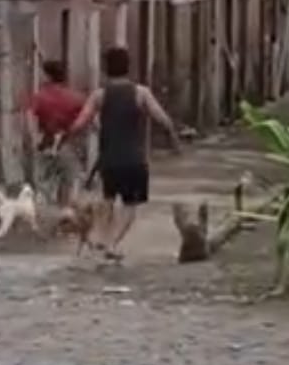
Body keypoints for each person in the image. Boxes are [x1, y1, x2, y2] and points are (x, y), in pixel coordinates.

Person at [67, 46, 181, 260]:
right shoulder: (141, 93)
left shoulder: (99, 95)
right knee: (130, 205)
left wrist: (68, 136)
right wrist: (174, 141)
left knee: (107, 200)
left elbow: (79, 123)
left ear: (105, 69)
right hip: (134, 160)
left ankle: (100, 239)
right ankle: (111, 244)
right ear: (128, 67)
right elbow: (163, 120)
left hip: (109, 160)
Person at [26, 60, 86, 203]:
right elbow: (89, 118)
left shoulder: (40, 96)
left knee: (44, 185)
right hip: (69, 145)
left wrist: (33, 138)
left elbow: (29, 116)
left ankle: (50, 213)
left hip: (46, 143)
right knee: (68, 183)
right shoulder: (75, 97)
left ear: (48, 76)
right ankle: (65, 212)